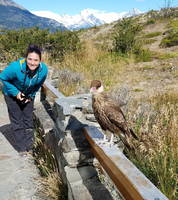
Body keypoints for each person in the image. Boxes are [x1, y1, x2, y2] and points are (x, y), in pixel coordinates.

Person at [0, 44, 48, 153]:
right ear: (26, 58)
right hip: (11, 94)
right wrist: (15, 92)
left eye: (36, 60)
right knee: (17, 120)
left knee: (28, 120)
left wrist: (30, 96)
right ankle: (22, 149)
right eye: (30, 59)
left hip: (28, 95)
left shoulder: (43, 70)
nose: (32, 62)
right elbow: (3, 77)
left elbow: (39, 83)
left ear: (40, 60)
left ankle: (30, 146)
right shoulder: (16, 67)